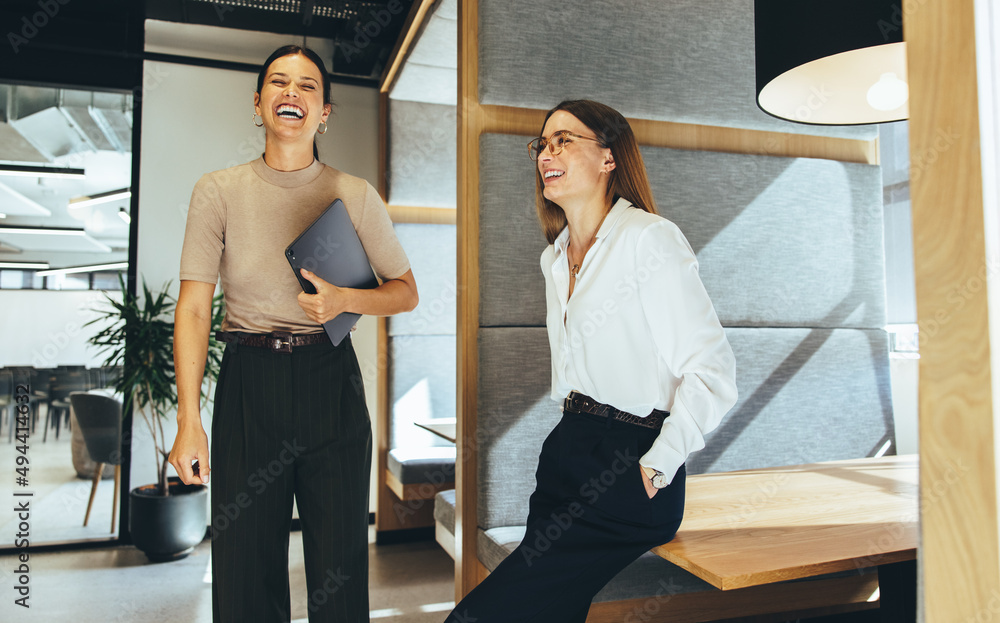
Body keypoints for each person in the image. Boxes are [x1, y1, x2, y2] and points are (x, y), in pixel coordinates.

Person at [444, 100, 738, 623]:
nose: (547, 153)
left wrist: (657, 466)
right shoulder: (554, 257)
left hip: (631, 460)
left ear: (609, 158)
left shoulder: (649, 238)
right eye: (542, 143)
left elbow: (712, 372)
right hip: (568, 447)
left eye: (565, 140)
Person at [168, 45, 418, 623]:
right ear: (258, 104)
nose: (292, 93)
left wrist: (344, 300)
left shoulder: (353, 194)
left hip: (330, 379)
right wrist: (188, 420)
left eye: (307, 86)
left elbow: (405, 290)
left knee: (340, 568)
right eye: (278, 82)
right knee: (244, 567)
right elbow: (194, 309)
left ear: (324, 111)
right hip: (249, 383)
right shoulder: (218, 190)